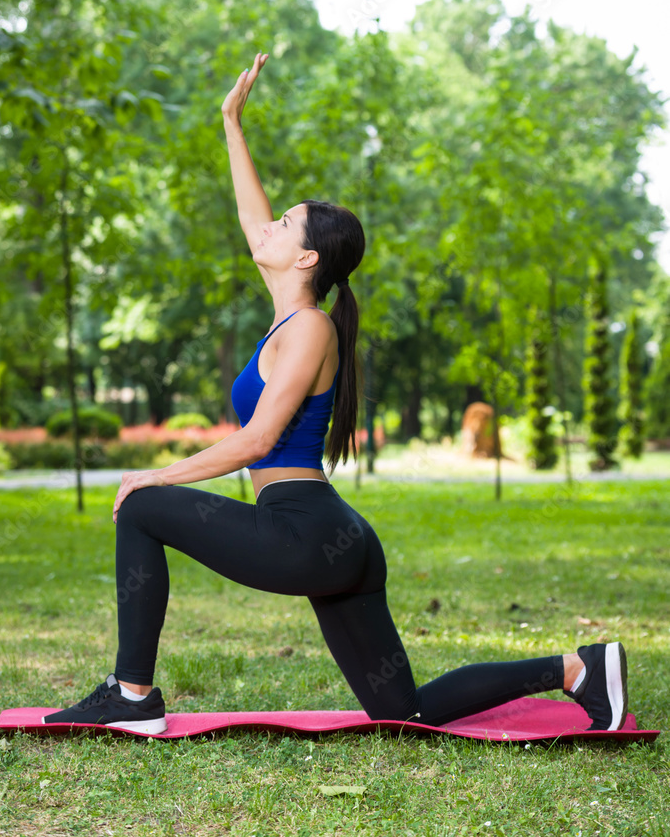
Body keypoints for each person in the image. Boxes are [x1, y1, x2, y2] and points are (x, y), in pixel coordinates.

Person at [44, 53, 628, 736]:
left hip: (303, 530)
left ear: (307, 258)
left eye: (284, 225)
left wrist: (155, 474)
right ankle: (575, 668)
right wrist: (230, 122)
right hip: (328, 537)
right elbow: (249, 214)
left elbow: (257, 441)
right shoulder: (289, 315)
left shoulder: (311, 328)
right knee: (400, 710)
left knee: (143, 507)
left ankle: (133, 694)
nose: (265, 229)